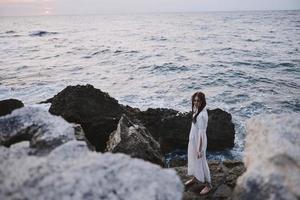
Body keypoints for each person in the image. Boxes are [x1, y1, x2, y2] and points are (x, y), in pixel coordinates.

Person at [184, 91, 212, 195]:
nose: (196, 103)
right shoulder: (197, 110)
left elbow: (201, 134)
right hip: (193, 140)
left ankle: (208, 184)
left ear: (202, 101)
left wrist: (199, 149)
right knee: (193, 159)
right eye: (194, 100)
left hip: (199, 142)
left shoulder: (202, 115)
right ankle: (196, 177)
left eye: (198, 101)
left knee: (202, 161)